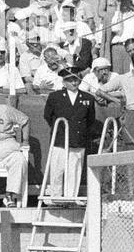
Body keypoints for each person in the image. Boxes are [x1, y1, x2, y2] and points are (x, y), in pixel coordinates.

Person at [42, 67, 98, 198]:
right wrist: (60, 130)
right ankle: (56, 197)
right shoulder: (55, 97)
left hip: (78, 139)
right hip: (60, 139)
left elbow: (90, 119)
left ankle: (70, 197)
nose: (74, 82)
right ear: (64, 82)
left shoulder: (88, 98)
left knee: (74, 170)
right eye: (70, 80)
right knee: (57, 170)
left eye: (76, 79)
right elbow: (48, 116)